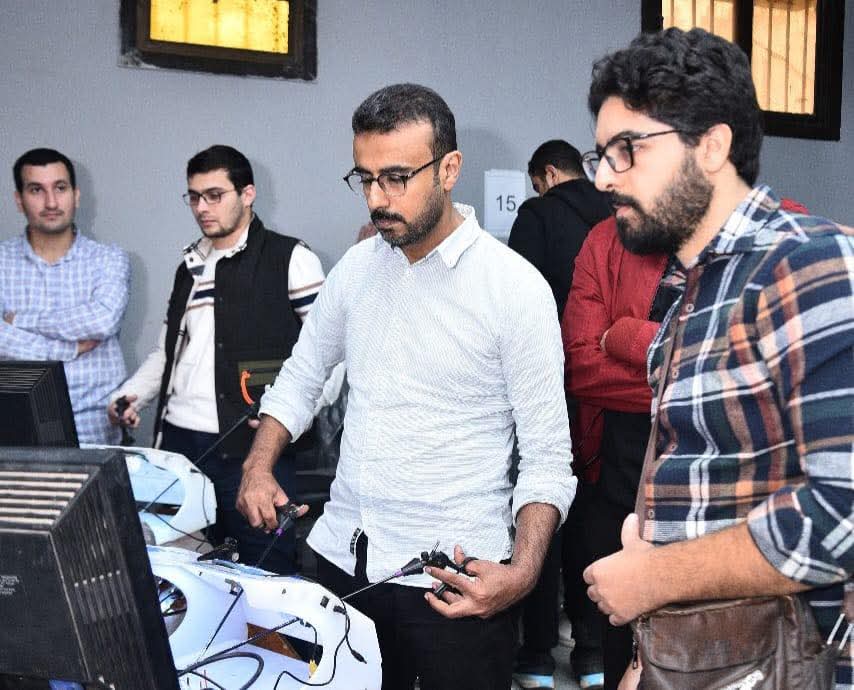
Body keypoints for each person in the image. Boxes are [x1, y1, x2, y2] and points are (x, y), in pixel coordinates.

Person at [236, 83, 575, 690]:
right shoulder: (356, 270)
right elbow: (301, 377)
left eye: (396, 178)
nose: (376, 199)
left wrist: (523, 575)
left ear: (449, 169)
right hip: (344, 563)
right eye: (364, 179)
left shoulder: (515, 289)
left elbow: (548, 456)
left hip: (456, 583)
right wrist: (258, 465)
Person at [579, 28, 853, 688]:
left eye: (627, 150)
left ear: (711, 146)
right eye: (601, 156)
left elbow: (843, 511)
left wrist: (652, 578)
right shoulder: (690, 295)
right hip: (696, 661)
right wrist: (645, 661)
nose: (606, 178)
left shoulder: (806, 263)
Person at [108, 145, 324, 574]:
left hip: (253, 448)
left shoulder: (291, 258)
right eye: (194, 197)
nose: (202, 208)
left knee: (265, 575)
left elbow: (330, 355)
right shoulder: (189, 266)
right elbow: (167, 352)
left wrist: (291, 416)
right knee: (179, 574)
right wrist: (131, 395)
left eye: (214, 195)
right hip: (178, 446)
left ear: (248, 194)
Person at [508, 140, 612, 690]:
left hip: (550, 388)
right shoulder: (618, 215)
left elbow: (520, 307)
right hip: (610, 399)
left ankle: (537, 656)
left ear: (547, 174)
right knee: (594, 520)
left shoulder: (538, 214)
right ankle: (593, 654)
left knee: (542, 510)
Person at [0, 148, 129, 444]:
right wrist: (67, 350)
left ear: (76, 195)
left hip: (97, 425)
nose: (51, 202)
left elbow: (102, 320)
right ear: (19, 200)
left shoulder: (108, 259)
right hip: (16, 426)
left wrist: (20, 321)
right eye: (36, 190)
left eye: (60, 188)